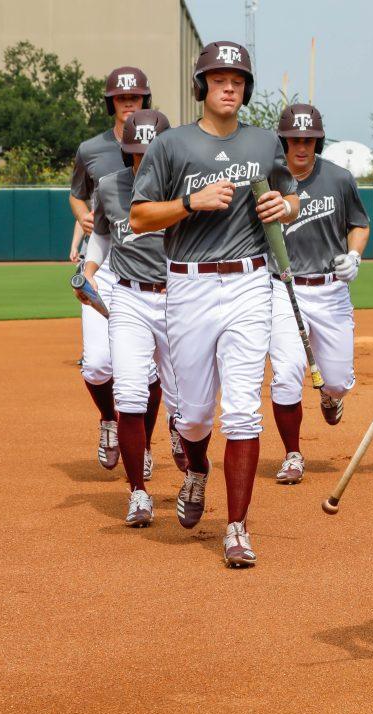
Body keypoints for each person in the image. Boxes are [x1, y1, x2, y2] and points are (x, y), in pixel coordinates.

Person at [130, 41, 299, 567]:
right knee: (197, 414)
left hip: (250, 282)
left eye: (239, 79)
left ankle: (237, 528)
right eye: (219, 79)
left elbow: (292, 194)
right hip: (188, 284)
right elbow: (138, 218)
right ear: (201, 86)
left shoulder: (265, 142)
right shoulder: (171, 145)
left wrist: (285, 205)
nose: (230, 87)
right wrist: (188, 202)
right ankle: (197, 469)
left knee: (243, 410)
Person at [70, 67, 175, 475]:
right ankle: (110, 421)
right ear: (111, 101)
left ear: (145, 100)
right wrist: (86, 223)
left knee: (148, 369)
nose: (128, 102)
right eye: (121, 97)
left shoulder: (165, 141)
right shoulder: (92, 150)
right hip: (110, 266)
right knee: (97, 364)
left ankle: (143, 445)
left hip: (154, 268)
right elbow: (80, 199)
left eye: (135, 97)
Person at [268, 104, 370, 484]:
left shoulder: (339, 178)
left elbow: (359, 224)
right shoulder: (267, 180)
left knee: (339, 381)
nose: (302, 147)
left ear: (318, 141)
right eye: (294, 140)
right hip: (283, 287)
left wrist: (354, 255)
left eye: (308, 140)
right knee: (287, 373)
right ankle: (293, 453)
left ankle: (330, 396)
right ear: (283, 142)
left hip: (330, 291)